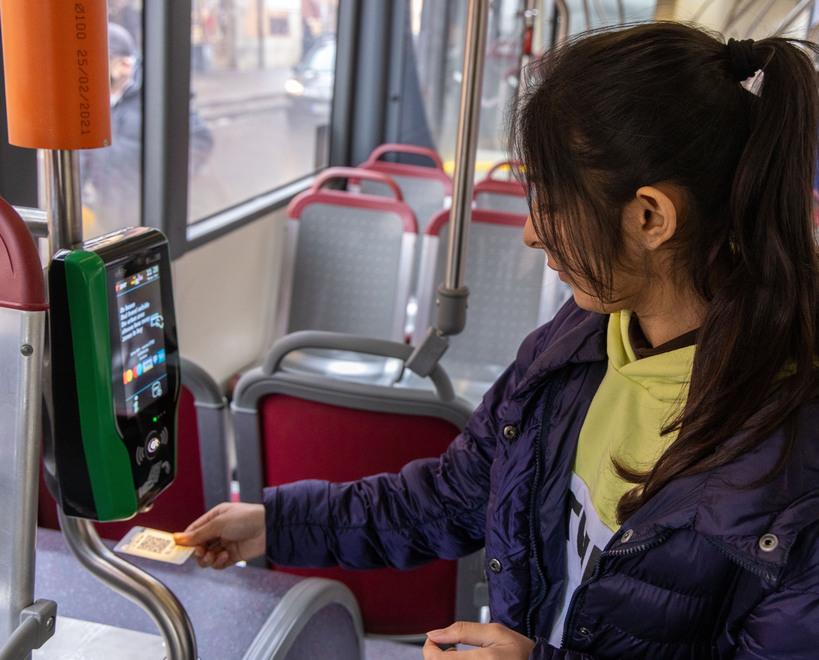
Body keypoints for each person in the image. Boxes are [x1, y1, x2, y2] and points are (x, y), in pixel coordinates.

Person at [175, 23, 819, 658]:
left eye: (552, 200)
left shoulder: (794, 462)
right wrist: (279, 524)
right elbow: (454, 495)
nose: (531, 233)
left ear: (650, 217)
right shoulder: (575, 345)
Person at [81, 23, 214, 236]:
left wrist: (170, 184)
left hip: (148, 215)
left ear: (123, 64)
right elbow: (86, 153)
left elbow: (200, 139)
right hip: (110, 213)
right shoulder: (97, 101)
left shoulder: (156, 95)